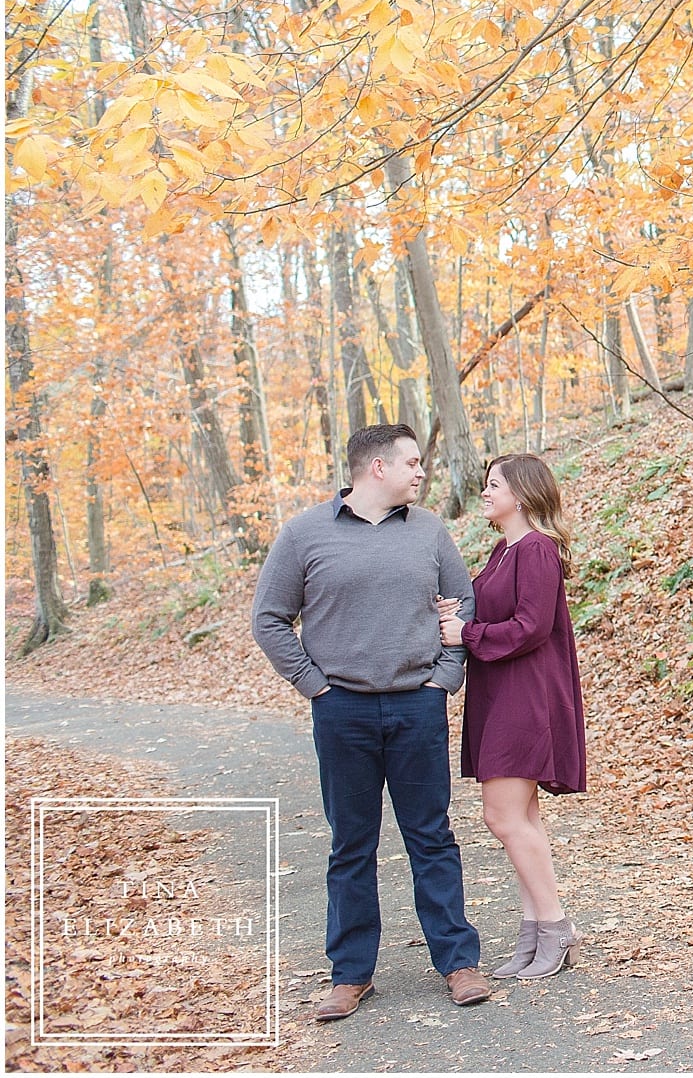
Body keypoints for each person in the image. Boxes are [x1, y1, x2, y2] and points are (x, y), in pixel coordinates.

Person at [250, 423, 492, 1020]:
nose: (420, 472)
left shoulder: (430, 531)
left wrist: (445, 677)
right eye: (411, 462)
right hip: (342, 711)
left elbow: (464, 604)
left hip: (417, 705)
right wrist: (315, 686)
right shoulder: (306, 533)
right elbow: (269, 618)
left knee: (431, 837)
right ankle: (351, 974)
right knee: (351, 842)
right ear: (376, 467)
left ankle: (459, 962)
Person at [437, 452, 588, 979]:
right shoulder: (505, 549)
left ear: (520, 495)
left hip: (527, 698)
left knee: (501, 817)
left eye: (493, 484)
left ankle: (556, 926)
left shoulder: (537, 550)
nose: (484, 492)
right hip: (502, 693)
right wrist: (457, 616)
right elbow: (496, 611)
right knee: (522, 819)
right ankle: (534, 935)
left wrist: (467, 635)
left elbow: (530, 626)